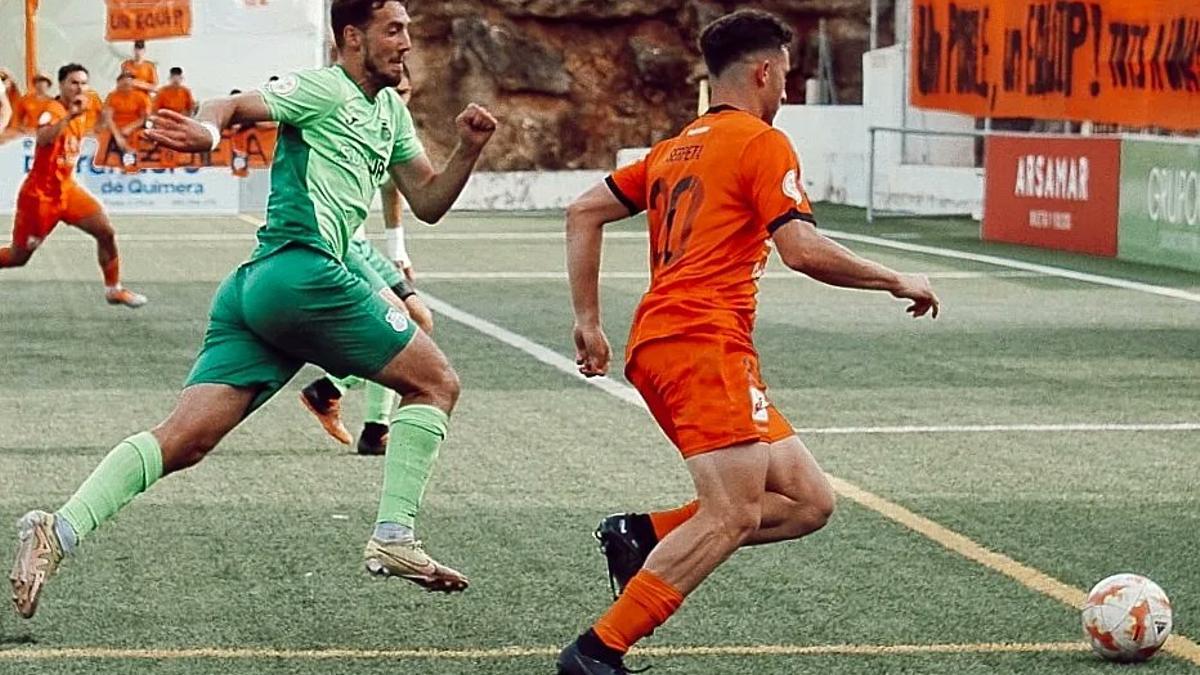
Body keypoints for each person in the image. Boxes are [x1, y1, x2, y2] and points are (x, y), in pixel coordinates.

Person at [9, 0, 497, 620]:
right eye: (393, 30)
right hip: (306, 271)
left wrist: (469, 148)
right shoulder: (322, 88)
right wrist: (210, 132)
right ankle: (394, 536)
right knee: (437, 383)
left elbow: (427, 200)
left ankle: (58, 528)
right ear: (352, 36)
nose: (406, 43)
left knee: (184, 441)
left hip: (259, 290)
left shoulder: (391, 114)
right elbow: (236, 107)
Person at [555, 10, 940, 674]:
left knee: (807, 500)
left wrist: (589, 319)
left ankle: (641, 534)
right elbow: (801, 248)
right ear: (764, 72)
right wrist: (893, 278)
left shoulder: (677, 147)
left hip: (671, 342)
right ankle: (597, 652)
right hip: (702, 342)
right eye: (786, 74)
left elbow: (583, 209)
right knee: (731, 513)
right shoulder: (761, 142)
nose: (786, 89)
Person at [299, 62, 436, 456]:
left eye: (407, 95)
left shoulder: (393, 128)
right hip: (340, 245)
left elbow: (394, 193)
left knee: (420, 321)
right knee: (399, 324)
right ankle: (343, 400)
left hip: (365, 248)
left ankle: (358, 415)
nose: (400, 101)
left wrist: (398, 252)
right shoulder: (347, 119)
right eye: (397, 92)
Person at [0, 64, 147, 308]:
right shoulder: (53, 110)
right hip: (40, 197)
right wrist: (69, 117)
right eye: (74, 83)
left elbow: (97, 127)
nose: (80, 88)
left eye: (83, 83)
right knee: (18, 257)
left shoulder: (83, 110)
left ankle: (114, 289)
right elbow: (44, 138)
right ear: (62, 85)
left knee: (106, 232)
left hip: (67, 191)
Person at [103, 72, 153, 145]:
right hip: (115, 128)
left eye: (128, 83)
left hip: (135, 128)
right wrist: (117, 136)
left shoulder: (141, 97)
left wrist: (130, 128)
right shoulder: (112, 96)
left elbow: (143, 119)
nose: (126, 86)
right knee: (104, 139)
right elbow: (109, 118)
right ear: (118, 84)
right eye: (123, 84)